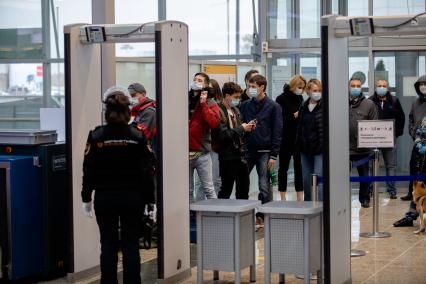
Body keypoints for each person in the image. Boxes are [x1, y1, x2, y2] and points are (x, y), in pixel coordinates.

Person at [81, 86, 155, 284]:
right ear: (128, 111)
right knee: (131, 244)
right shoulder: (137, 135)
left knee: (108, 245)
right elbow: (147, 171)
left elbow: (88, 170)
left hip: (105, 199)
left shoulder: (96, 136)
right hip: (133, 198)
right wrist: (151, 200)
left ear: (106, 112)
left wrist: (86, 198)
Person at [240, 74, 282, 224]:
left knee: (264, 185)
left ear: (262, 87)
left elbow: (277, 131)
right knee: (243, 183)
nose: (250, 89)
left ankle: (263, 215)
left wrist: (274, 155)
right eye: (249, 86)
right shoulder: (245, 105)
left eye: (253, 87)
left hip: (265, 151)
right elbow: (241, 126)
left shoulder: (273, 106)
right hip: (248, 150)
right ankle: (243, 213)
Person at [212, 82, 255, 199]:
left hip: (241, 155)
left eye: (239, 97)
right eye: (235, 97)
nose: (238, 100)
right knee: (226, 189)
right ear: (226, 95)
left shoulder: (236, 110)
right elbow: (223, 135)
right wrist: (242, 128)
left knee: (243, 189)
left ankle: (242, 216)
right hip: (227, 156)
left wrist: (248, 128)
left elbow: (239, 132)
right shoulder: (218, 111)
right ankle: (222, 215)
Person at [394, 75, 426, 227]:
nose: (423, 87)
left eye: (425, 84)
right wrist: (415, 136)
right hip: (418, 147)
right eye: (421, 84)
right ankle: (411, 214)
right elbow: (411, 120)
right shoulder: (416, 103)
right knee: (416, 182)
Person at [368, 79, 405, 199]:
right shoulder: (370, 101)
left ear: (388, 87)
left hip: (389, 139)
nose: (381, 87)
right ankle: (371, 189)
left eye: (384, 86)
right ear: (375, 87)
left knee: (391, 165)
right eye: (379, 85)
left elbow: (401, 117)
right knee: (371, 165)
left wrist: (396, 134)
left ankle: (392, 190)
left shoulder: (394, 100)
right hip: (373, 139)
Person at [188, 72, 220, 203]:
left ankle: (215, 217)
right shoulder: (185, 100)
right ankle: (190, 218)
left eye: (200, 80)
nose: (196, 82)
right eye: (195, 79)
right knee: (187, 190)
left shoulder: (211, 103)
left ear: (206, 85)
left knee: (209, 188)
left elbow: (213, 122)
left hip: (202, 153)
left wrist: (203, 104)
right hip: (185, 152)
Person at [349, 77, 379, 208]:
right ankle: (341, 198)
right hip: (344, 148)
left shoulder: (369, 104)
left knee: (365, 175)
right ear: (349, 87)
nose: (355, 88)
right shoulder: (340, 102)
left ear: (361, 87)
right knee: (340, 176)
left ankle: (365, 198)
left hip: (363, 148)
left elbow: (374, 125)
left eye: (358, 86)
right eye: (353, 85)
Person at [276, 75, 306, 201]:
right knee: (283, 168)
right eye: (299, 87)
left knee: (300, 168)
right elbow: (280, 120)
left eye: (303, 88)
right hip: (285, 138)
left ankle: (300, 195)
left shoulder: (300, 97)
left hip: (298, 138)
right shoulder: (281, 99)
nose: (301, 90)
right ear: (293, 86)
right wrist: (294, 115)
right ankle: (282, 196)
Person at [195, 78, 223, 200]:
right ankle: (197, 212)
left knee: (214, 182)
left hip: (214, 147)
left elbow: (214, 124)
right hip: (200, 146)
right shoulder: (196, 103)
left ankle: (210, 211)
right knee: (200, 183)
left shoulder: (216, 106)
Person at [297, 79, 324, 201]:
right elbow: (300, 128)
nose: (317, 93)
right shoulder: (303, 106)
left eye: (319, 90)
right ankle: (308, 205)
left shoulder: (325, 106)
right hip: (305, 149)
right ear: (308, 91)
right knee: (307, 180)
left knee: (319, 178)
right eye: (314, 90)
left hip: (320, 150)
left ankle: (322, 206)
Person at [128, 83, 157, 152]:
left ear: (143, 94)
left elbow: (141, 134)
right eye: (129, 96)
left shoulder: (149, 111)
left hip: (154, 151)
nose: (131, 99)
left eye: (133, 95)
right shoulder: (139, 110)